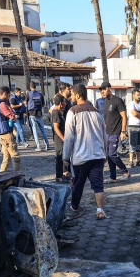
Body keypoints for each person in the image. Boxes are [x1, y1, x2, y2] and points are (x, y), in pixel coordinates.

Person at [63, 82, 108, 220]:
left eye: (72, 96)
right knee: (98, 185)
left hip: (81, 156)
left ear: (77, 95)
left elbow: (69, 137)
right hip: (97, 156)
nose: (71, 99)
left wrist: (65, 157)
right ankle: (100, 210)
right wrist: (104, 154)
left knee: (78, 184)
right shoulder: (97, 112)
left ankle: (74, 206)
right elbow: (103, 136)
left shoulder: (73, 111)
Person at [99, 82, 130, 181]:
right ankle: (113, 177)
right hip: (107, 133)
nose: (102, 92)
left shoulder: (118, 100)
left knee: (112, 154)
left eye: (103, 90)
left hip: (115, 133)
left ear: (108, 88)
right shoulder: (106, 102)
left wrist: (123, 131)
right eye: (101, 91)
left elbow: (124, 116)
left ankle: (125, 171)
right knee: (109, 156)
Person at [0, 86, 21, 172]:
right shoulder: (2, 104)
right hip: (7, 135)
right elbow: (11, 116)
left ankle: (1, 174)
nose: (8, 98)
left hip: (0, 135)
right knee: (15, 157)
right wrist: (14, 117)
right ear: (5, 93)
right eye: (8, 96)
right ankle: (17, 176)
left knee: (6, 157)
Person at [50, 94, 69, 183]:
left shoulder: (58, 112)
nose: (65, 103)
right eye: (64, 101)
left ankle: (63, 174)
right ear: (60, 103)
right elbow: (56, 128)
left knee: (62, 158)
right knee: (59, 158)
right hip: (59, 140)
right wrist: (63, 138)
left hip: (60, 139)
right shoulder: (56, 113)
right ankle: (59, 177)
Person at [26, 82, 49, 151]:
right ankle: (47, 144)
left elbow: (26, 102)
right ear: (35, 86)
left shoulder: (29, 94)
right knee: (42, 129)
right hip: (39, 112)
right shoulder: (40, 94)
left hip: (32, 113)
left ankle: (38, 146)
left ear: (30, 87)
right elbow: (43, 104)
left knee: (34, 129)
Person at [126, 89, 140, 168]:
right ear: (133, 95)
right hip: (133, 127)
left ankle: (138, 160)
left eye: (139, 95)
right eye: (137, 95)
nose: (139, 97)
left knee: (139, 145)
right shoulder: (131, 104)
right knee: (132, 144)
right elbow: (134, 114)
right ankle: (131, 161)